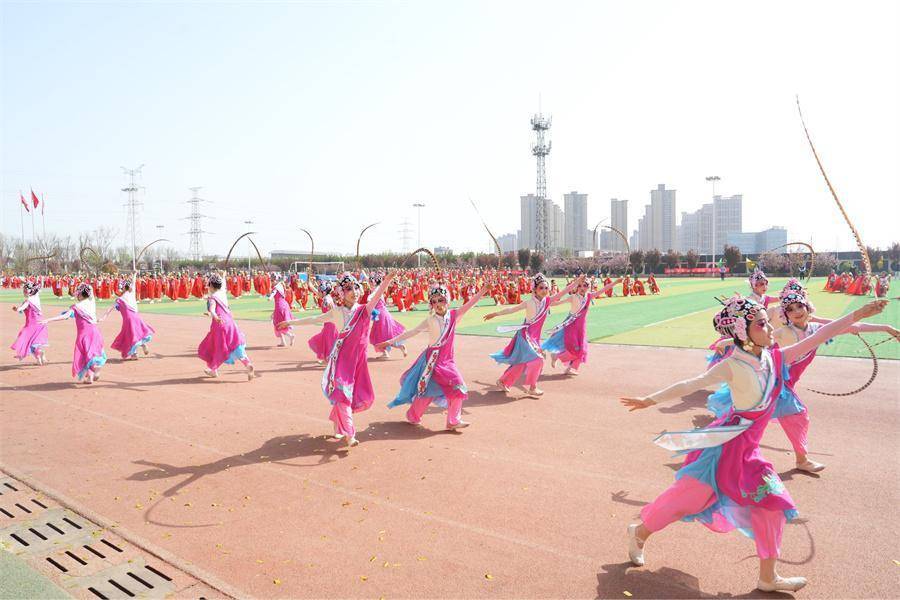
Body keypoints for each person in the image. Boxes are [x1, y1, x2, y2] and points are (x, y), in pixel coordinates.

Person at [620, 296, 888, 592]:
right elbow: (691, 384)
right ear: (741, 330)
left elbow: (822, 333)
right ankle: (639, 533)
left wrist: (859, 313)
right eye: (762, 323)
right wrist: (649, 400)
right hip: (724, 449)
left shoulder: (775, 357)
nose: (770, 328)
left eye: (767, 321)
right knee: (685, 501)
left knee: (772, 504)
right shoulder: (732, 365)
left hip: (748, 452)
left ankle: (768, 577)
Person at [279, 272, 397, 447]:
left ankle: (337, 422)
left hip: (358, 362)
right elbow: (314, 319)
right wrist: (290, 323)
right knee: (342, 393)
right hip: (342, 360)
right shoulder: (336, 312)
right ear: (342, 293)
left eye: (356, 288)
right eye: (349, 289)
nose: (354, 292)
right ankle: (350, 434)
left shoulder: (365, 310)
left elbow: (378, 294)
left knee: (349, 396)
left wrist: (386, 281)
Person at [378, 283, 488, 430]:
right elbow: (412, 332)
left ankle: (453, 421)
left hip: (447, 361)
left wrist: (482, 291)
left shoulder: (454, 316)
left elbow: (470, 304)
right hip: (431, 361)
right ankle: (413, 415)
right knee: (428, 391)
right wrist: (390, 341)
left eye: (440, 300)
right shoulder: (430, 320)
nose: (437, 304)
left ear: (447, 300)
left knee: (458, 387)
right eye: (434, 301)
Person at [485, 273, 578, 398]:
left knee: (522, 362)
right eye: (541, 288)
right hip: (525, 336)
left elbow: (563, 293)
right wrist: (495, 314)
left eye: (546, 288)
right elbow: (511, 310)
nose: (544, 290)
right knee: (538, 359)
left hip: (534, 338)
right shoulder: (529, 302)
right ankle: (533, 387)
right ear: (534, 289)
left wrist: (577, 282)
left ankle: (503, 381)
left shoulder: (547, 301)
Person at [542, 277, 621, 375]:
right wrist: (545, 302)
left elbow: (603, 290)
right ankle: (556, 355)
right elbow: (557, 303)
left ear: (588, 287)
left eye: (585, 286)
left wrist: (616, 282)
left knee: (582, 350)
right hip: (571, 325)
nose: (582, 288)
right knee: (570, 346)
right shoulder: (573, 297)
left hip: (581, 327)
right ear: (576, 287)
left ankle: (569, 368)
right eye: (579, 286)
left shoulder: (589, 296)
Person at [41, 283, 108, 384]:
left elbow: (65, 316)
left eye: (78, 293)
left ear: (81, 294)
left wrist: (49, 320)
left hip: (84, 334)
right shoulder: (91, 301)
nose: (77, 295)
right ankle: (89, 377)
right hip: (95, 332)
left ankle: (95, 369)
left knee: (86, 354)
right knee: (90, 354)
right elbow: (90, 289)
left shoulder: (77, 306)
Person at [197, 273, 256, 380]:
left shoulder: (212, 298)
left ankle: (213, 369)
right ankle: (247, 364)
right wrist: (222, 276)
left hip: (219, 325)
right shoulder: (222, 294)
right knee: (236, 345)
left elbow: (213, 310)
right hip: (230, 323)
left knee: (215, 347)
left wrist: (214, 316)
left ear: (211, 285)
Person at [100, 275, 155, 360]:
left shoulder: (119, 299)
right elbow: (133, 282)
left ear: (123, 288)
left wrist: (102, 318)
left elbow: (109, 309)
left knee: (131, 336)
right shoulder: (132, 293)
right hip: (137, 317)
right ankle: (143, 345)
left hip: (128, 320)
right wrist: (135, 274)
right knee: (138, 333)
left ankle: (134, 354)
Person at [10, 281, 49, 365]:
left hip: (31, 325)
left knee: (26, 340)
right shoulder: (36, 298)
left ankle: (38, 357)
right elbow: (37, 290)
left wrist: (16, 309)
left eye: (24, 290)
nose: (23, 291)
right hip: (41, 323)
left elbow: (21, 308)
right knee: (36, 341)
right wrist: (29, 284)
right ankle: (40, 355)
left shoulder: (28, 301)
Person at [268, 275, 296, 347]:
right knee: (281, 323)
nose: (271, 282)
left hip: (280, 306)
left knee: (278, 324)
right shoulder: (281, 286)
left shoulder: (277, 287)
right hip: (284, 305)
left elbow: (273, 293)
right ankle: (283, 341)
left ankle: (290, 336)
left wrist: (270, 298)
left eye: (272, 280)